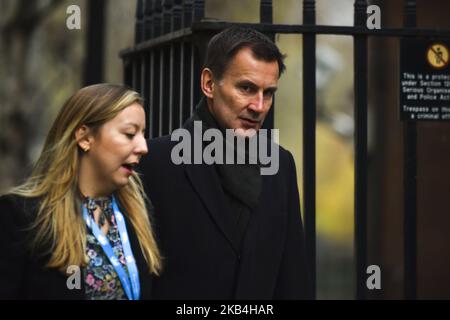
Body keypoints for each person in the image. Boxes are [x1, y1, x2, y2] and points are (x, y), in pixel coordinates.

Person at [139, 27, 311, 299]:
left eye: (268, 93)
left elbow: (293, 280)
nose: (258, 106)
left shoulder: (281, 165)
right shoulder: (154, 161)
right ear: (209, 83)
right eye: (246, 88)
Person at [0, 84, 161, 299]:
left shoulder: (136, 214)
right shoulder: (21, 216)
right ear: (85, 138)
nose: (143, 147)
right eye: (130, 134)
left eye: (143, 134)